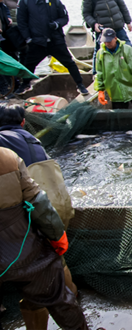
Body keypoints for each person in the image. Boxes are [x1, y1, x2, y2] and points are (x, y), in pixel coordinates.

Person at [0, 103, 78, 328]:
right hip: (58, 204)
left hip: (31, 216)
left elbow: (34, 200)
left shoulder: (6, 153)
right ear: (24, 122)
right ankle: (73, 301)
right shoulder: (33, 141)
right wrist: (57, 234)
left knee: (36, 287)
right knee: (55, 266)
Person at [17, 0, 88, 96]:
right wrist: (28, 38)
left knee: (69, 63)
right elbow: (21, 22)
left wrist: (56, 24)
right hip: (37, 41)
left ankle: (80, 85)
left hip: (55, 40)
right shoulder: (25, 1)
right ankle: (25, 85)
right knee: (29, 65)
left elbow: (64, 18)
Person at [81, 0, 132, 73]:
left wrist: (128, 22)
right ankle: (96, 73)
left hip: (118, 26)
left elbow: (122, 6)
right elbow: (86, 14)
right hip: (103, 30)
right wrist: (94, 24)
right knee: (99, 51)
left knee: (128, 47)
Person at [95, 28, 132, 109]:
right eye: (105, 41)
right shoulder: (100, 53)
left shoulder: (127, 49)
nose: (107, 43)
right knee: (119, 117)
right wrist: (100, 90)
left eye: (109, 41)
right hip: (115, 94)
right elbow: (99, 73)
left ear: (115, 39)